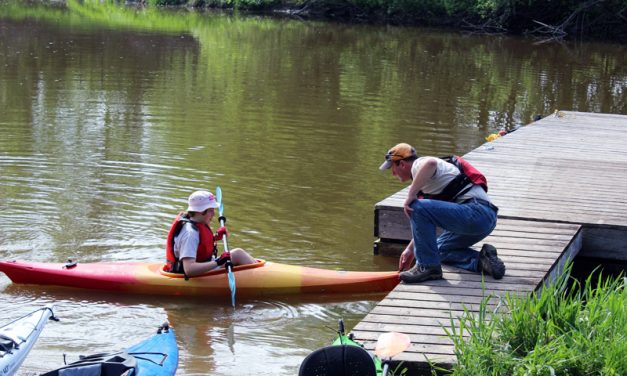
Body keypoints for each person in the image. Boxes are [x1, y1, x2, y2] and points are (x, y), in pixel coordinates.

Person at [379, 143, 505, 283]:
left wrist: (410, 196)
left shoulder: (418, 165)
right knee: (439, 250)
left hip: (476, 213)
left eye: (393, 168)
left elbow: (431, 163)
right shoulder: (426, 182)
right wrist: (409, 250)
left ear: (402, 164)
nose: (393, 173)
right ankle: (482, 261)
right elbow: (425, 223)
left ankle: (427, 267)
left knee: (416, 206)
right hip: (484, 220)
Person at [165, 190, 257, 277]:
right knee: (237, 254)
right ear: (201, 211)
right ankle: (259, 276)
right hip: (192, 276)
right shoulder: (190, 234)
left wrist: (215, 237)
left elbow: (199, 245)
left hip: (202, 265)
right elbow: (189, 269)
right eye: (211, 210)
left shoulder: (195, 223)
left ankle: (257, 270)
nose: (213, 214)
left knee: (238, 254)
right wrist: (218, 262)